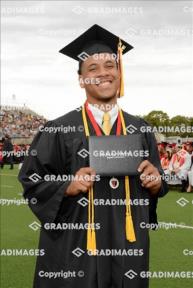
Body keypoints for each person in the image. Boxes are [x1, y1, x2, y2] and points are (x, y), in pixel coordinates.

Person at [19, 24, 168, 288]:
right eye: (93, 68)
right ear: (81, 79)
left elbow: (157, 178)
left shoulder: (141, 129)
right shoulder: (58, 129)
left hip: (128, 244)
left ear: (119, 72)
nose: (104, 73)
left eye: (110, 65)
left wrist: (157, 183)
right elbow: (32, 182)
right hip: (76, 244)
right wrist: (67, 185)